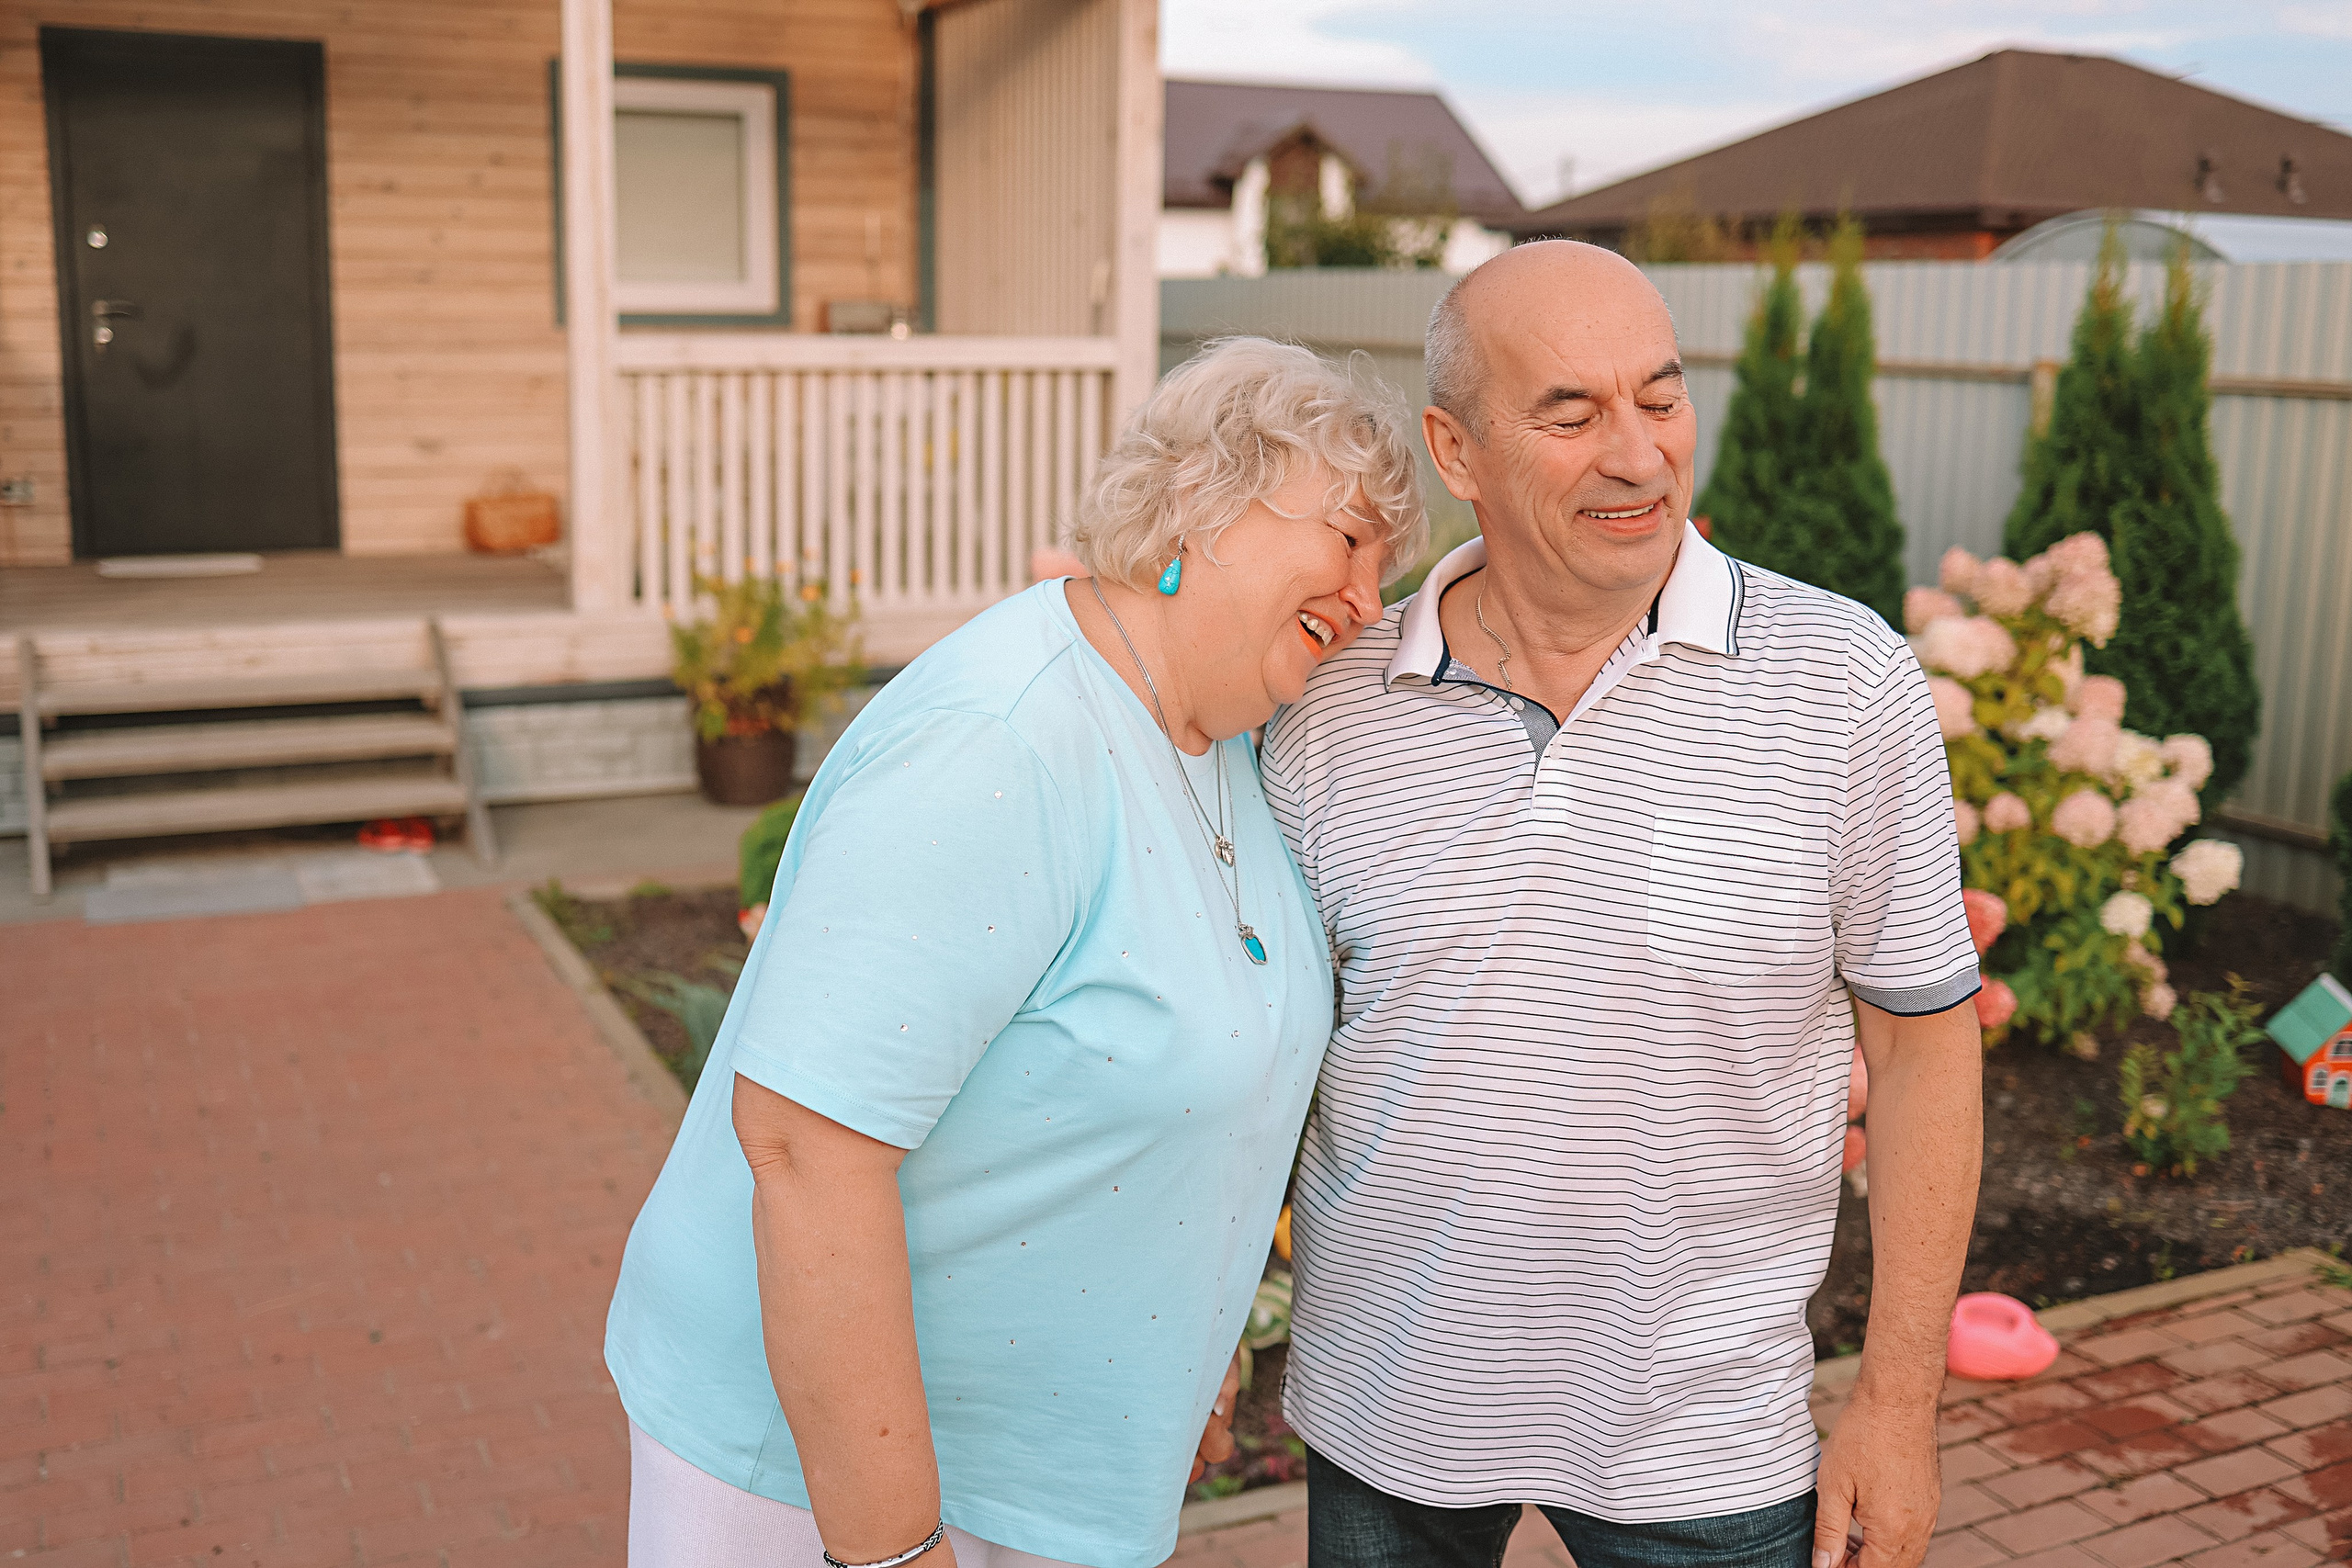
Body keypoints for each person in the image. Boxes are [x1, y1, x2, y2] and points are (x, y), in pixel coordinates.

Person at [605, 336, 1427, 1568]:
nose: (1368, 600)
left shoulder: (1220, 742)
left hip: (1039, 1473)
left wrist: (1180, 1367)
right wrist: (889, 1552)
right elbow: (806, 1150)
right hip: (827, 1478)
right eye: (1351, 541)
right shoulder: (1000, 742)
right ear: (1202, 502)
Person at [1261, 242, 1984, 1568]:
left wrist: (1898, 1403)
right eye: (1571, 411)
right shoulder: (1327, 710)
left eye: (1660, 397)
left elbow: (1925, 1045)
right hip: (1386, 1401)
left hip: (1701, 1430)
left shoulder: (1842, 685)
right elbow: (1256, 1052)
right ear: (1456, 448)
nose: (1640, 456)